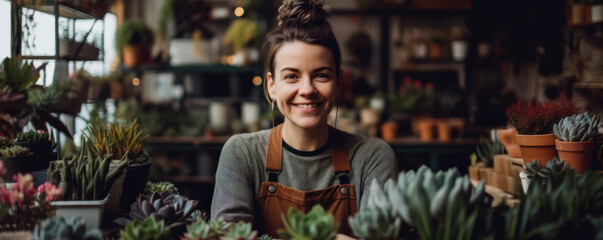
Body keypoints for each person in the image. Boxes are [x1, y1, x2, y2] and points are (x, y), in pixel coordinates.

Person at [211, 0, 398, 237]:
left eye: (321, 75)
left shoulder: (373, 157)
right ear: (271, 86)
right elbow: (228, 235)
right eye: (291, 76)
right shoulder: (242, 153)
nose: (307, 89)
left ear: (338, 83)